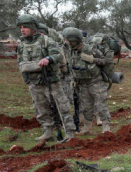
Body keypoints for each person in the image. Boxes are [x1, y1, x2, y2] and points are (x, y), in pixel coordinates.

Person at [16, 14, 76, 142]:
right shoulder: (21, 45)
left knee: (62, 107)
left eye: (25, 27)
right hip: (34, 83)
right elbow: (20, 62)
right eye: (21, 27)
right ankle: (48, 131)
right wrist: (27, 80)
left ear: (33, 28)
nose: (22, 29)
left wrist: (48, 59)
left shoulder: (46, 40)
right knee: (41, 109)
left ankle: (69, 133)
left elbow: (58, 55)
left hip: (51, 81)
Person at [62, 27, 113, 134]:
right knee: (86, 107)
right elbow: (71, 66)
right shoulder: (72, 51)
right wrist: (73, 79)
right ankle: (87, 128)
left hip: (96, 82)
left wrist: (93, 59)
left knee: (101, 106)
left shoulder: (90, 49)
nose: (65, 42)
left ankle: (106, 127)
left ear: (74, 40)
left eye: (67, 40)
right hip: (82, 84)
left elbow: (106, 61)